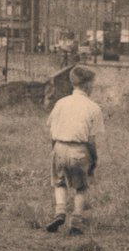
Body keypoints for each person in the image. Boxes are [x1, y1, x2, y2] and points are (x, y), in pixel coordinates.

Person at [44, 65, 104, 236]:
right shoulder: (93, 107)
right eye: (92, 84)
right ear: (87, 85)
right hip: (80, 150)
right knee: (81, 186)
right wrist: (94, 159)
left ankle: (60, 212)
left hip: (59, 147)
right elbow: (91, 140)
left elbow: (52, 132)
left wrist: (54, 151)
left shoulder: (61, 103)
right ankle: (76, 221)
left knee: (59, 182)